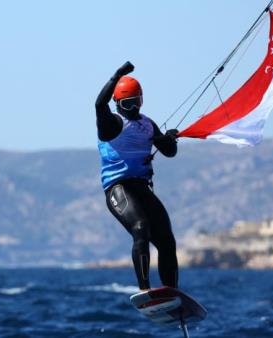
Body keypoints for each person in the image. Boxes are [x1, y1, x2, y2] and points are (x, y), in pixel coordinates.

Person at [95, 61, 179, 291]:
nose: (133, 108)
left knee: (167, 240)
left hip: (141, 188)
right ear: (118, 103)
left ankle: (170, 292)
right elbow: (98, 104)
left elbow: (170, 152)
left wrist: (168, 139)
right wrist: (117, 75)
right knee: (141, 228)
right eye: (128, 103)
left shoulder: (147, 124)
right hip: (118, 188)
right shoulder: (111, 123)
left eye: (137, 102)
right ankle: (145, 289)